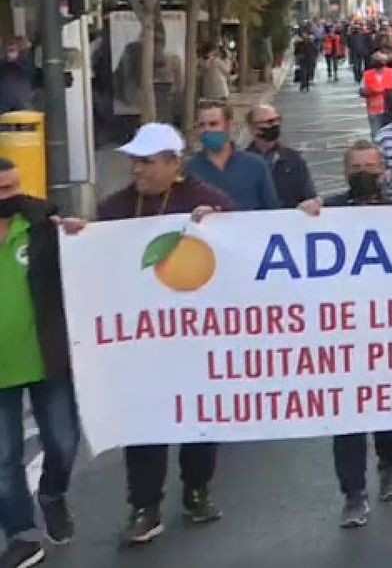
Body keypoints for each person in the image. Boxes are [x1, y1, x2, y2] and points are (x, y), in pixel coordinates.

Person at [62, 123, 234, 544]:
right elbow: (96, 254)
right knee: (142, 423)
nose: (136, 169)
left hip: (195, 341)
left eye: (147, 161)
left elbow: (241, 247)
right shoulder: (117, 207)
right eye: (134, 161)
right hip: (141, 343)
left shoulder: (205, 200)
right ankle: (144, 505)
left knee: (198, 420)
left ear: (175, 164)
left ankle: (197, 489)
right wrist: (78, 238)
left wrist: (220, 224)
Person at [316, 141, 392, 528]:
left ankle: (390, 465)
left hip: (386, 329)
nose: (363, 174)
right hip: (342, 332)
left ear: (383, 172)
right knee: (347, 415)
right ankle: (353, 493)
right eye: (355, 168)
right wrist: (303, 216)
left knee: (387, 405)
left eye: (370, 167)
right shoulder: (327, 212)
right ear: (345, 173)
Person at [0, 158, 75, 567]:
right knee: (3, 459)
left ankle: (52, 494)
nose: (12, 196)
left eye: (15, 186)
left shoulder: (43, 224)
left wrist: (78, 236)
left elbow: (82, 262)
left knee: (63, 442)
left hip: (48, 360)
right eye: (3, 190)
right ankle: (22, 535)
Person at [185, 101, 280, 213]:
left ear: (227, 125)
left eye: (213, 124)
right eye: (202, 125)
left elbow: (272, 211)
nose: (207, 130)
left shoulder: (256, 166)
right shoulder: (188, 170)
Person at [243, 105, 318, 212]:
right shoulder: (241, 163)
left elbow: (309, 196)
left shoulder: (294, 160)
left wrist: (311, 203)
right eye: (268, 122)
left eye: (276, 120)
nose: (274, 125)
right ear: (252, 128)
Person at [361, 49, 392, 138]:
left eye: (381, 60)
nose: (379, 62)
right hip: (374, 110)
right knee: (376, 134)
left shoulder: (391, 72)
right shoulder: (367, 74)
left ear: (384, 62)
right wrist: (369, 92)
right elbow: (362, 91)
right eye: (376, 60)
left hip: (390, 109)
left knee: (390, 134)